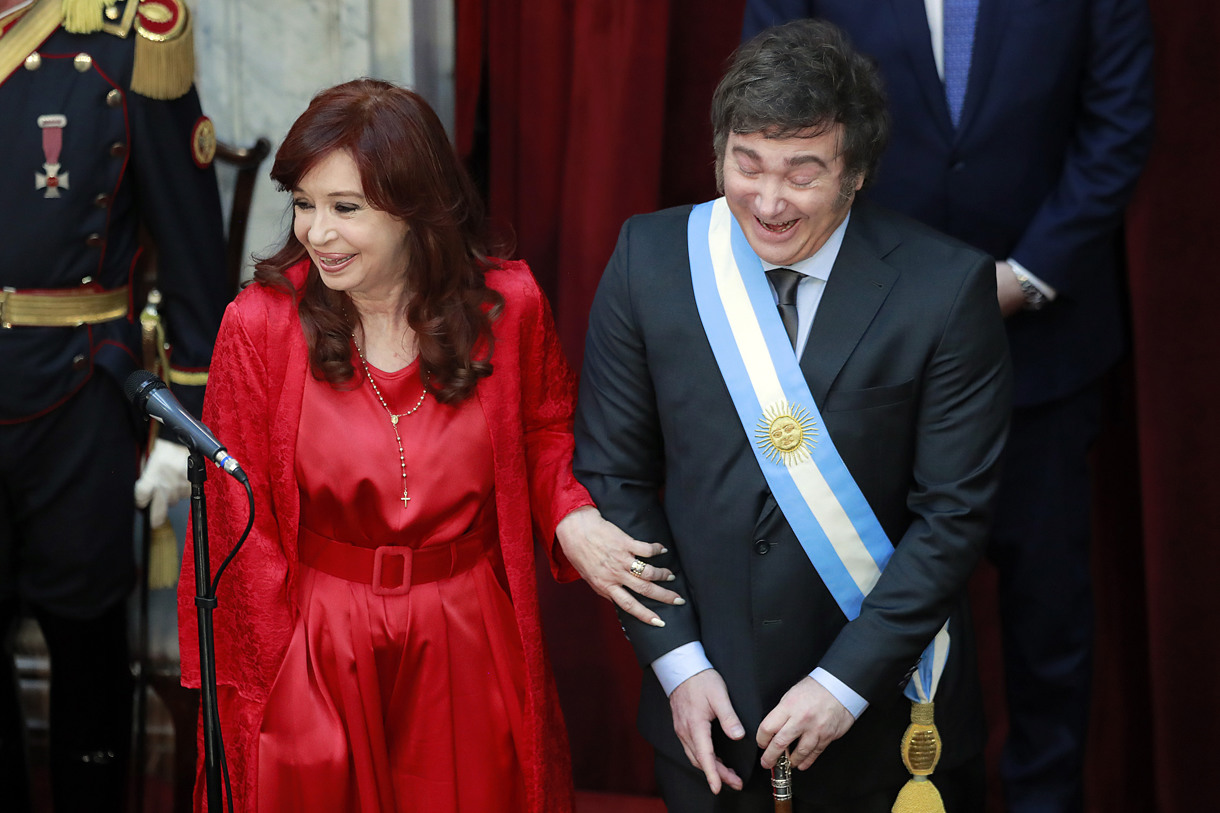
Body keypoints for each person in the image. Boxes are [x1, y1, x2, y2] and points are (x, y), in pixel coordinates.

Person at [177, 78, 675, 813]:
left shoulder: (508, 306)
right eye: (305, 204)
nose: (317, 232)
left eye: (346, 208)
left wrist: (570, 514)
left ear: (416, 210)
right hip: (317, 639)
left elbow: (543, 430)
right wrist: (267, 682)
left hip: (465, 632)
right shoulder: (261, 324)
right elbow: (233, 518)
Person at [571, 19, 1012, 812]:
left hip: (886, 712)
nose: (768, 202)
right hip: (707, 710)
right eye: (747, 165)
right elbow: (614, 474)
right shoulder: (650, 259)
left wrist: (845, 684)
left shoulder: (944, 289)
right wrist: (678, 662)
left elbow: (954, 514)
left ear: (857, 173)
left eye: (802, 173)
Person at [742, 3, 1155, 810]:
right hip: (867, 348)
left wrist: (1024, 276)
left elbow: (1120, 120)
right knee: (863, 606)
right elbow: (772, 95)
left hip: (1045, 348)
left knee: (1050, 625)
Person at [0, 1, 227, 811]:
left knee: (87, 642)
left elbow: (194, 248)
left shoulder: (131, 34)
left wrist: (183, 420)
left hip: (78, 396)